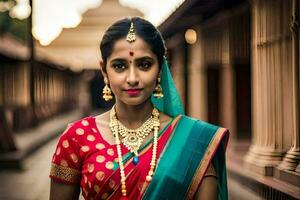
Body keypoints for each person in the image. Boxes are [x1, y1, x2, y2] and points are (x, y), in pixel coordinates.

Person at [49, 17, 229, 200]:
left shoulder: (195, 142)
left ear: (160, 69)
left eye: (144, 65)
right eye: (119, 66)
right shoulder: (76, 137)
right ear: (104, 70)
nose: (133, 78)